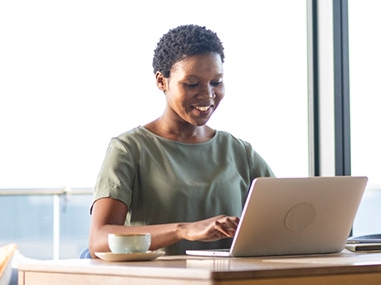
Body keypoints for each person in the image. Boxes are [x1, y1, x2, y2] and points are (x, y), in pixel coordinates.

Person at [88, 24, 275, 257]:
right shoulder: (129, 149)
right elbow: (99, 240)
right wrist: (184, 230)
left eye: (216, 82)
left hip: (230, 279)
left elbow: (283, 222)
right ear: (161, 81)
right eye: (192, 84)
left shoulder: (240, 152)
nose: (207, 94)